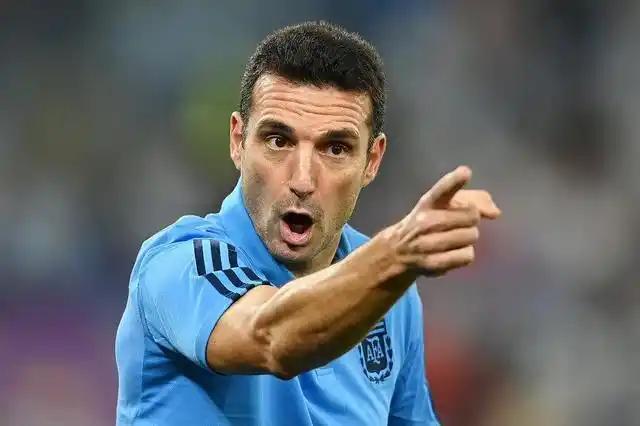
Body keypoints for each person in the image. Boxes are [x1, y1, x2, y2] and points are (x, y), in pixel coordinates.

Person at [115, 21, 500, 426]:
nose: (302, 180)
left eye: (335, 148)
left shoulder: (390, 294)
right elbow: (272, 339)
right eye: (278, 141)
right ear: (238, 141)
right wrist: (395, 256)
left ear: (372, 161)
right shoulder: (181, 263)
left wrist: (392, 264)